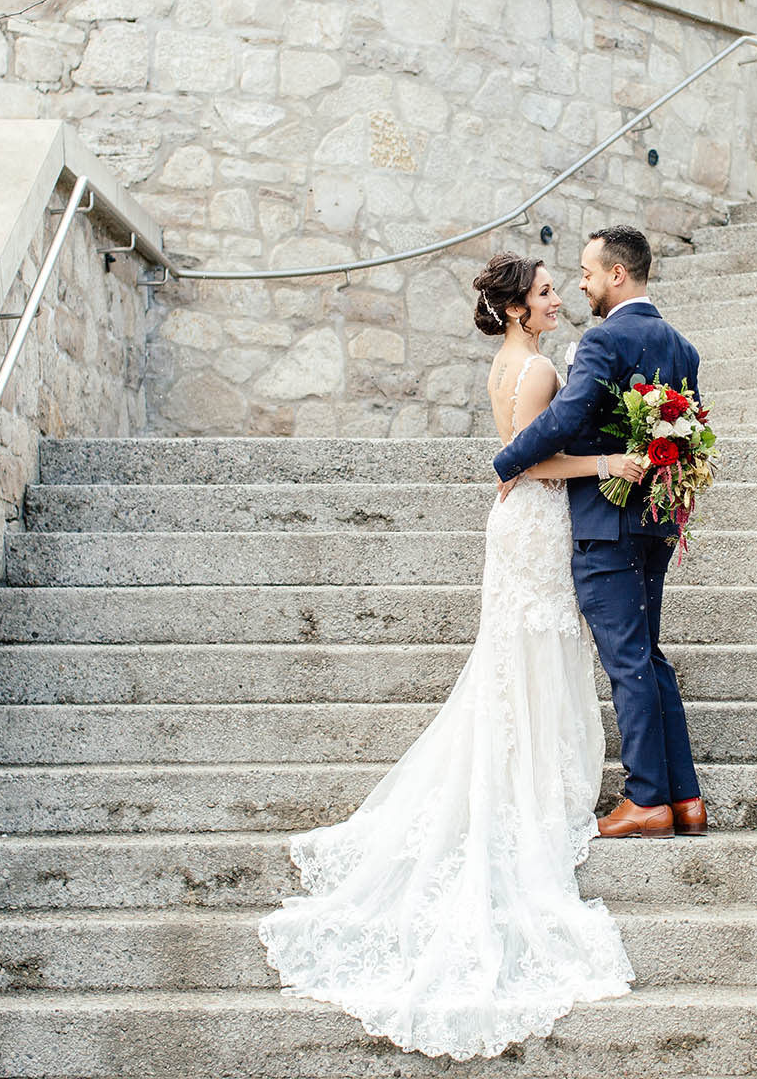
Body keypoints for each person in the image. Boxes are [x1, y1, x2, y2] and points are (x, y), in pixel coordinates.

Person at [257, 251, 648, 1060]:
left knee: (517, 652)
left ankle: (522, 764)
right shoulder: (537, 369)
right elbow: (532, 459)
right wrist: (609, 460)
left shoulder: (503, 365)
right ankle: (535, 779)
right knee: (534, 648)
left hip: (512, 527)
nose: (552, 302)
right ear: (516, 308)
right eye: (543, 293)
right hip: (535, 519)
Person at [494, 226, 706, 840]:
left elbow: (566, 416)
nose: (580, 284)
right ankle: (685, 796)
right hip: (657, 521)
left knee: (627, 660)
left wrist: (509, 461)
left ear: (617, 274)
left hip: (607, 525)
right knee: (650, 654)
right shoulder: (682, 347)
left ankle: (646, 800)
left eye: (586, 273)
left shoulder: (603, 339)